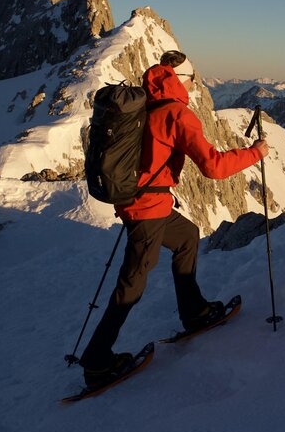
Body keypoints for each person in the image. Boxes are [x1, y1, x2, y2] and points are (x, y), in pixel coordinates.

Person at [79, 50, 268, 387]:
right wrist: (256, 153)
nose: (196, 86)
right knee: (132, 282)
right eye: (194, 80)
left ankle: (194, 311)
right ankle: (97, 361)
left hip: (144, 202)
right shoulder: (177, 115)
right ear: (181, 80)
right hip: (147, 209)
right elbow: (213, 167)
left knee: (186, 236)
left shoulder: (146, 106)